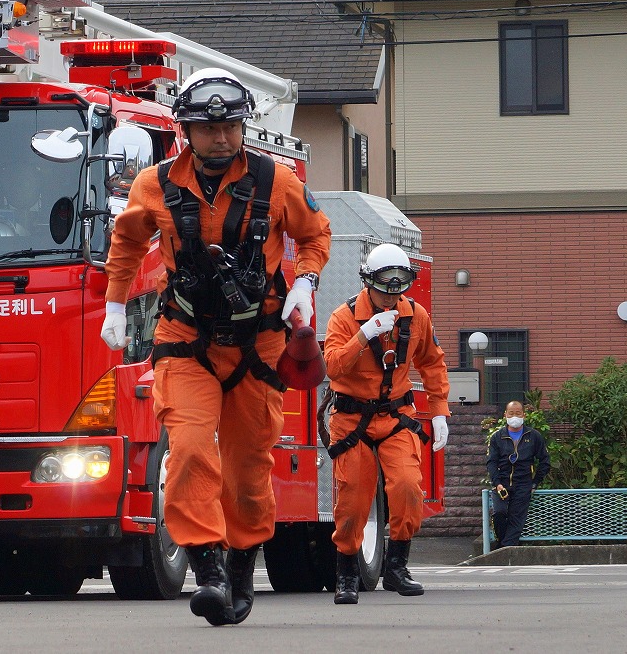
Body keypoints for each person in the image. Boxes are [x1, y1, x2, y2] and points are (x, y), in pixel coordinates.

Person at [100, 68, 331, 626]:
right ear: (185, 130)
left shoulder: (276, 182)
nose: (221, 137)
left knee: (249, 470)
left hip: (260, 344)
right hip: (184, 339)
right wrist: (114, 303)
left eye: (230, 125)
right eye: (208, 127)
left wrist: (306, 280)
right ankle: (209, 571)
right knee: (190, 453)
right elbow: (127, 241)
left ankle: (242, 564)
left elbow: (314, 234)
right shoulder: (153, 185)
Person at [322, 243, 450, 604]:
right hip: (351, 420)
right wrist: (364, 335)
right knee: (351, 501)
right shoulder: (344, 317)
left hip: (396, 416)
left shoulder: (416, 316)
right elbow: (332, 366)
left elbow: (433, 363)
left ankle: (396, 567)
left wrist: (439, 410)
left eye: (399, 288)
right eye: (383, 289)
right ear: (368, 283)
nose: (391, 298)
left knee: (408, 487)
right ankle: (346, 575)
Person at [487, 400, 550, 547]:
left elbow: (545, 461)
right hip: (501, 483)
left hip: (523, 484)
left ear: (524, 415)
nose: (514, 416)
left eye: (518, 413)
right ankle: (504, 545)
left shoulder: (534, 436)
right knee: (499, 513)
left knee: (517, 518)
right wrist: (497, 484)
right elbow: (491, 462)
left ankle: (505, 549)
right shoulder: (497, 437)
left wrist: (535, 482)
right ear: (505, 415)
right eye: (511, 413)